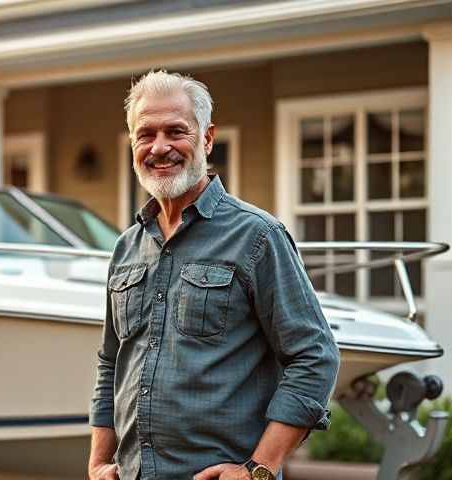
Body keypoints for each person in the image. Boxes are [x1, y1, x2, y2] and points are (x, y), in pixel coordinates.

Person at [87, 70, 339, 480]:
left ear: (207, 138)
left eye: (176, 131)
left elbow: (315, 357)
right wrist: (98, 462)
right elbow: (111, 362)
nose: (160, 147)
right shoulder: (127, 247)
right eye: (145, 134)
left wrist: (258, 469)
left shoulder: (258, 236)